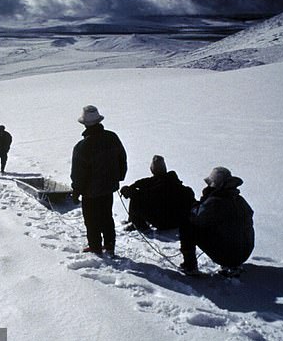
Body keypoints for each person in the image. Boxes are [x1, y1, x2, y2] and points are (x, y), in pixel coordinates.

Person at [71, 105, 127, 256]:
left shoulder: (82, 146)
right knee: (107, 217)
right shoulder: (112, 137)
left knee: (91, 220)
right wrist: (118, 177)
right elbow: (122, 159)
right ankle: (109, 246)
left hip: (90, 191)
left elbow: (78, 174)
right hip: (109, 187)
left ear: (84, 124)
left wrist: (76, 191)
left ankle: (95, 246)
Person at [179, 167, 255, 277]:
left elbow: (195, 217)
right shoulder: (239, 200)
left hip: (228, 255)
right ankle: (233, 263)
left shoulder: (215, 202)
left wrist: (204, 199)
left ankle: (189, 266)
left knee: (187, 226)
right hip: (245, 252)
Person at [120, 155, 195, 232]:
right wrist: (133, 186)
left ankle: (139, 225)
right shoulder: (172, 181)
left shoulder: (158, 186)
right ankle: (133, 221)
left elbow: (143, 193)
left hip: (165, 223)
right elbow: (145, 182)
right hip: (179, 221)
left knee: (136, 199)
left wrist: (130, 191)